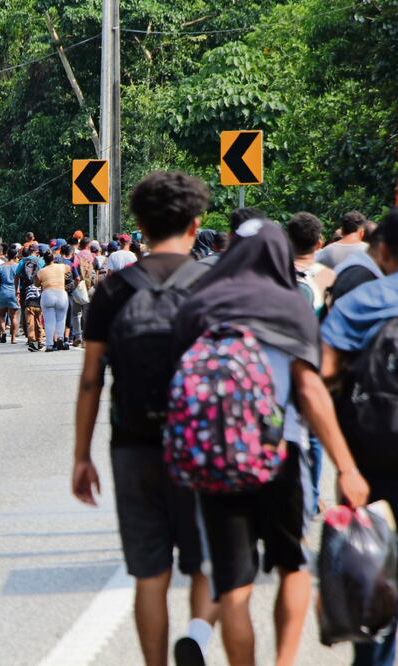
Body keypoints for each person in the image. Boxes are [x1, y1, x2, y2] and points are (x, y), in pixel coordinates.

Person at [174, 218, 369, 666]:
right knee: (292, 565)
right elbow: (311, 391)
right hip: (281, 452)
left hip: (217, 456)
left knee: (233, 583)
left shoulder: (199, 305)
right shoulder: (289, 304)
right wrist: (346, 466)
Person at [74, 171, 217, 666]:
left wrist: (81, 456)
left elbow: (91, 379)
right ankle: (197, 638)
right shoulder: (213, 285)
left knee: (149, 576)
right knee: (207, 564)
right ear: (195, 224)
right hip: (202, 445)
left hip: (133, 443)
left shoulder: (114, 289)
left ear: (139, 226)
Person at [320, 207, 398, 666]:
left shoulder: (361, 302)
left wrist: (344, 464)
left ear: (382, 250)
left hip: (370, 458)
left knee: (371, 571)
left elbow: (321, 379)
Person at [286, 212, 337, 515]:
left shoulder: (275, 273)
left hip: (280, 363)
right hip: (314, 362)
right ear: (319, 242)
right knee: (315, 434)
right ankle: (313, 495)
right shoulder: (328, 277)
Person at [36, 252, 69, 352]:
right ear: (53, 259)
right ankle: (60, 338)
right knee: (61, 318)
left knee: (49, 321)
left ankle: (49, 345)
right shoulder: (61, 267)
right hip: (61, 294)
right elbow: (69, 268)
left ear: (44, 260)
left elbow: (37, 284)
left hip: (48, 294)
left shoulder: (42, 271)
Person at [0, 248, 20, 344]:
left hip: (3, 292)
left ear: (7, 255)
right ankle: (13, 338)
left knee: (1, 315)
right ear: (15, 256)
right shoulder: (17, 266)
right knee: (13, 317)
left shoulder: (1, 267)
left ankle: (3, 332)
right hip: (13, 292)